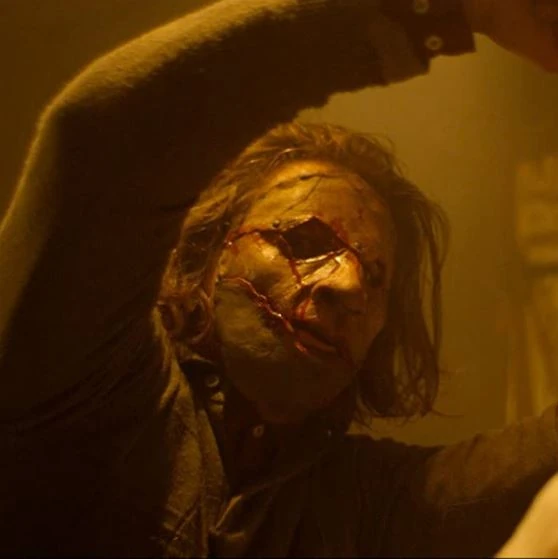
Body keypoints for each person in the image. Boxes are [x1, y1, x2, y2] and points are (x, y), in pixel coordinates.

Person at [1, 0, 558, 556]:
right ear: (209, 256)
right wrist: (452, 9)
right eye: (304, 242)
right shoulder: (90, 379)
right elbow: (105, 140)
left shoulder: (358, 503)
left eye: (376, 278)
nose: (348, 286)